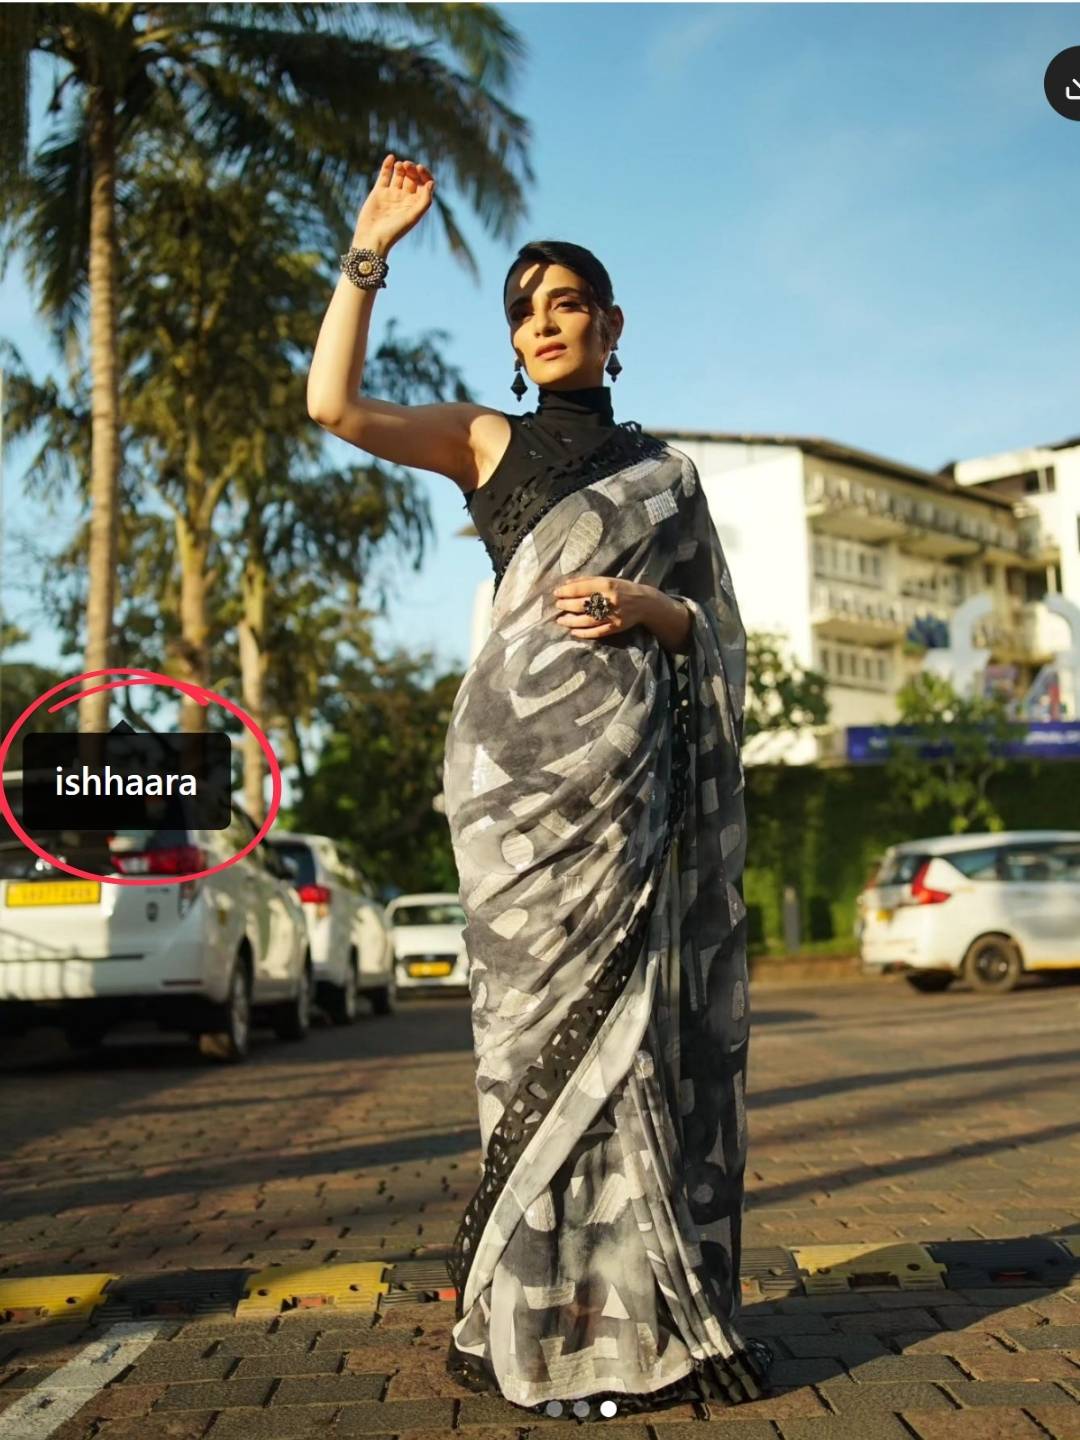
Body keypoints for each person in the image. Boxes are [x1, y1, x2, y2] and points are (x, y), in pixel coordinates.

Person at [307, 154, 774, 1421]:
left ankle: (645, 1324)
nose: (548, 320)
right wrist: (369, 250)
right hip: (514, 791)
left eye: (569, 301)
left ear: (612, 326)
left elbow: (717, 641)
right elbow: (333, 406)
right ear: (515, 339)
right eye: (528, 307)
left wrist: (647, 605)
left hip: (628, 778)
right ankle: (528, 1318)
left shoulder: (668, 479)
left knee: (636, 1051)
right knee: (528, 1060)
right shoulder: (484, 439)